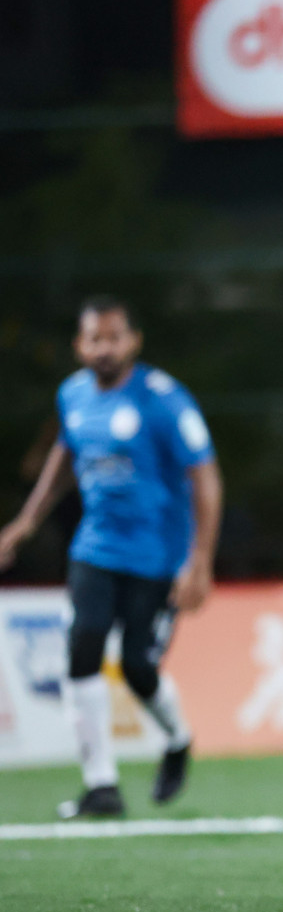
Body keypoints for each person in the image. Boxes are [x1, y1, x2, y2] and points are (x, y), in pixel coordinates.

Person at [0, 296, 220, 818]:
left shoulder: (164, 400)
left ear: (134, 341)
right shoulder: (73, 395)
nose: (105, 348)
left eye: (114, 337)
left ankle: (177, 740)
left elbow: (205, 477)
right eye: (94, 339)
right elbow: (66, 454)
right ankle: (102, 785)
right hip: (96, 548)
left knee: (138, 671)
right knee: (83, 647)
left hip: (157, 557)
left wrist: (201, 560)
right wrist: (26, 522)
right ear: (80, 345)